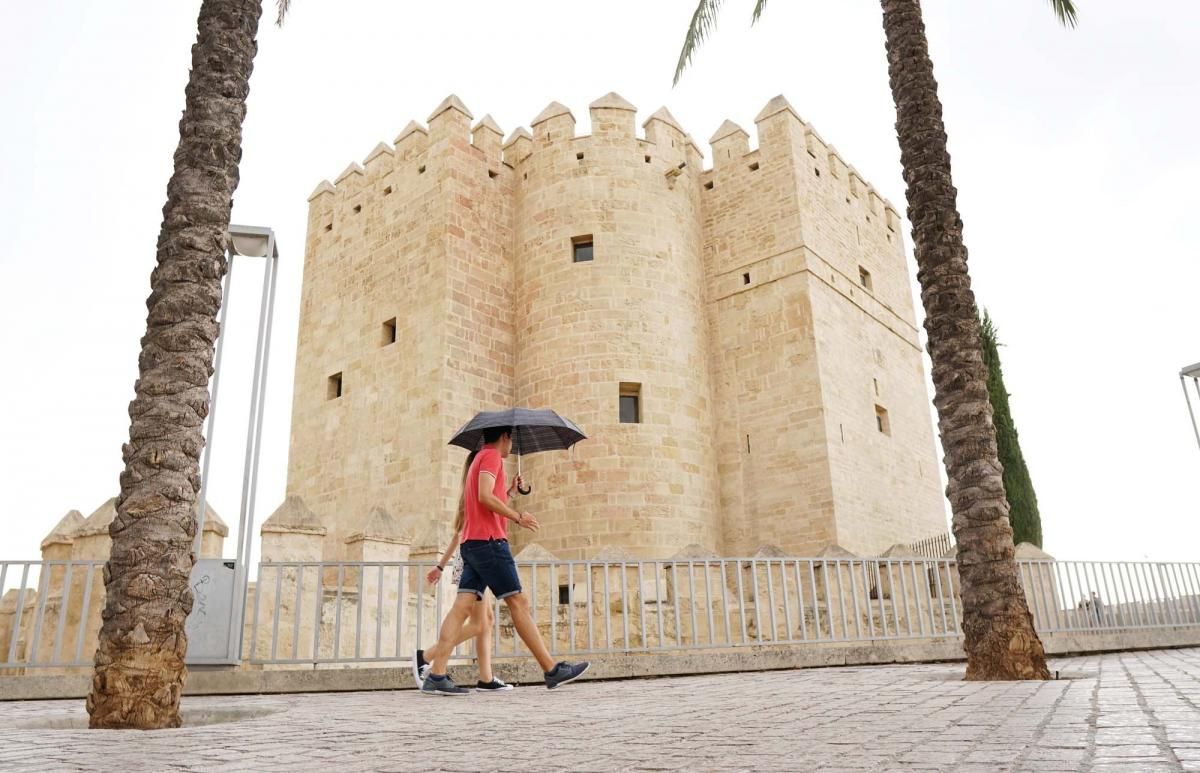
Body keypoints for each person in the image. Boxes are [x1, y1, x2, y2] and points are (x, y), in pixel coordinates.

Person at [415, 426, 589, 695]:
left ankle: (436, 674)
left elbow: (486, 499)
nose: (511, 447)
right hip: (490, 543)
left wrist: (510, 492)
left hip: (472, 544)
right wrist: (517, 517)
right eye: (511, 440)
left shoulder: (480, 460)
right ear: (505, 437)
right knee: (518, 602)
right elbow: (485, 498)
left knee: (461, 608)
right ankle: (552, 669)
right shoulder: (492, 457)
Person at [411, 449, 513, 692]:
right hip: (472, 559)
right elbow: (460, 534)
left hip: (471, 557)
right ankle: (426, 657)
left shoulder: (473, 492)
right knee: (478, 623)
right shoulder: (474, 495)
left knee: (485, 621)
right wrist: (440, 565)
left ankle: (486, 678)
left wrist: (510, 493)